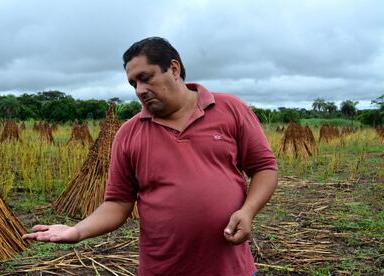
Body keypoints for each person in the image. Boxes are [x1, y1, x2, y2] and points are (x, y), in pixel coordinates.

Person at [23, 37, 278, 276]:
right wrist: (78, 230)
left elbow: (264, 167)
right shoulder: (129, 134)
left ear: (174, 69)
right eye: (133, 83)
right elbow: (118, 203)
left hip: (231, 269)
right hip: (162, 268)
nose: (140, 90)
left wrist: (248, 210)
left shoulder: (229, 109)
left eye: (146, 78)